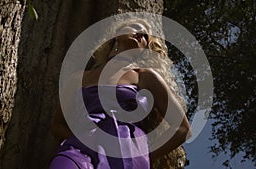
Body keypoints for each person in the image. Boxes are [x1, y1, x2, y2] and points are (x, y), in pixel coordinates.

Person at [49, 19, 191, 169]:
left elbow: (183, 128)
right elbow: (57, 125)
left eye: (145, 37)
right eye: (136, 28)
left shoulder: (145, 77)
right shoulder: (79, 78)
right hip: (80, 149)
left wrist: (145, 154)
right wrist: (81, 139)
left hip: (127, 151)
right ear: (117, 35)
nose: (141, 35)